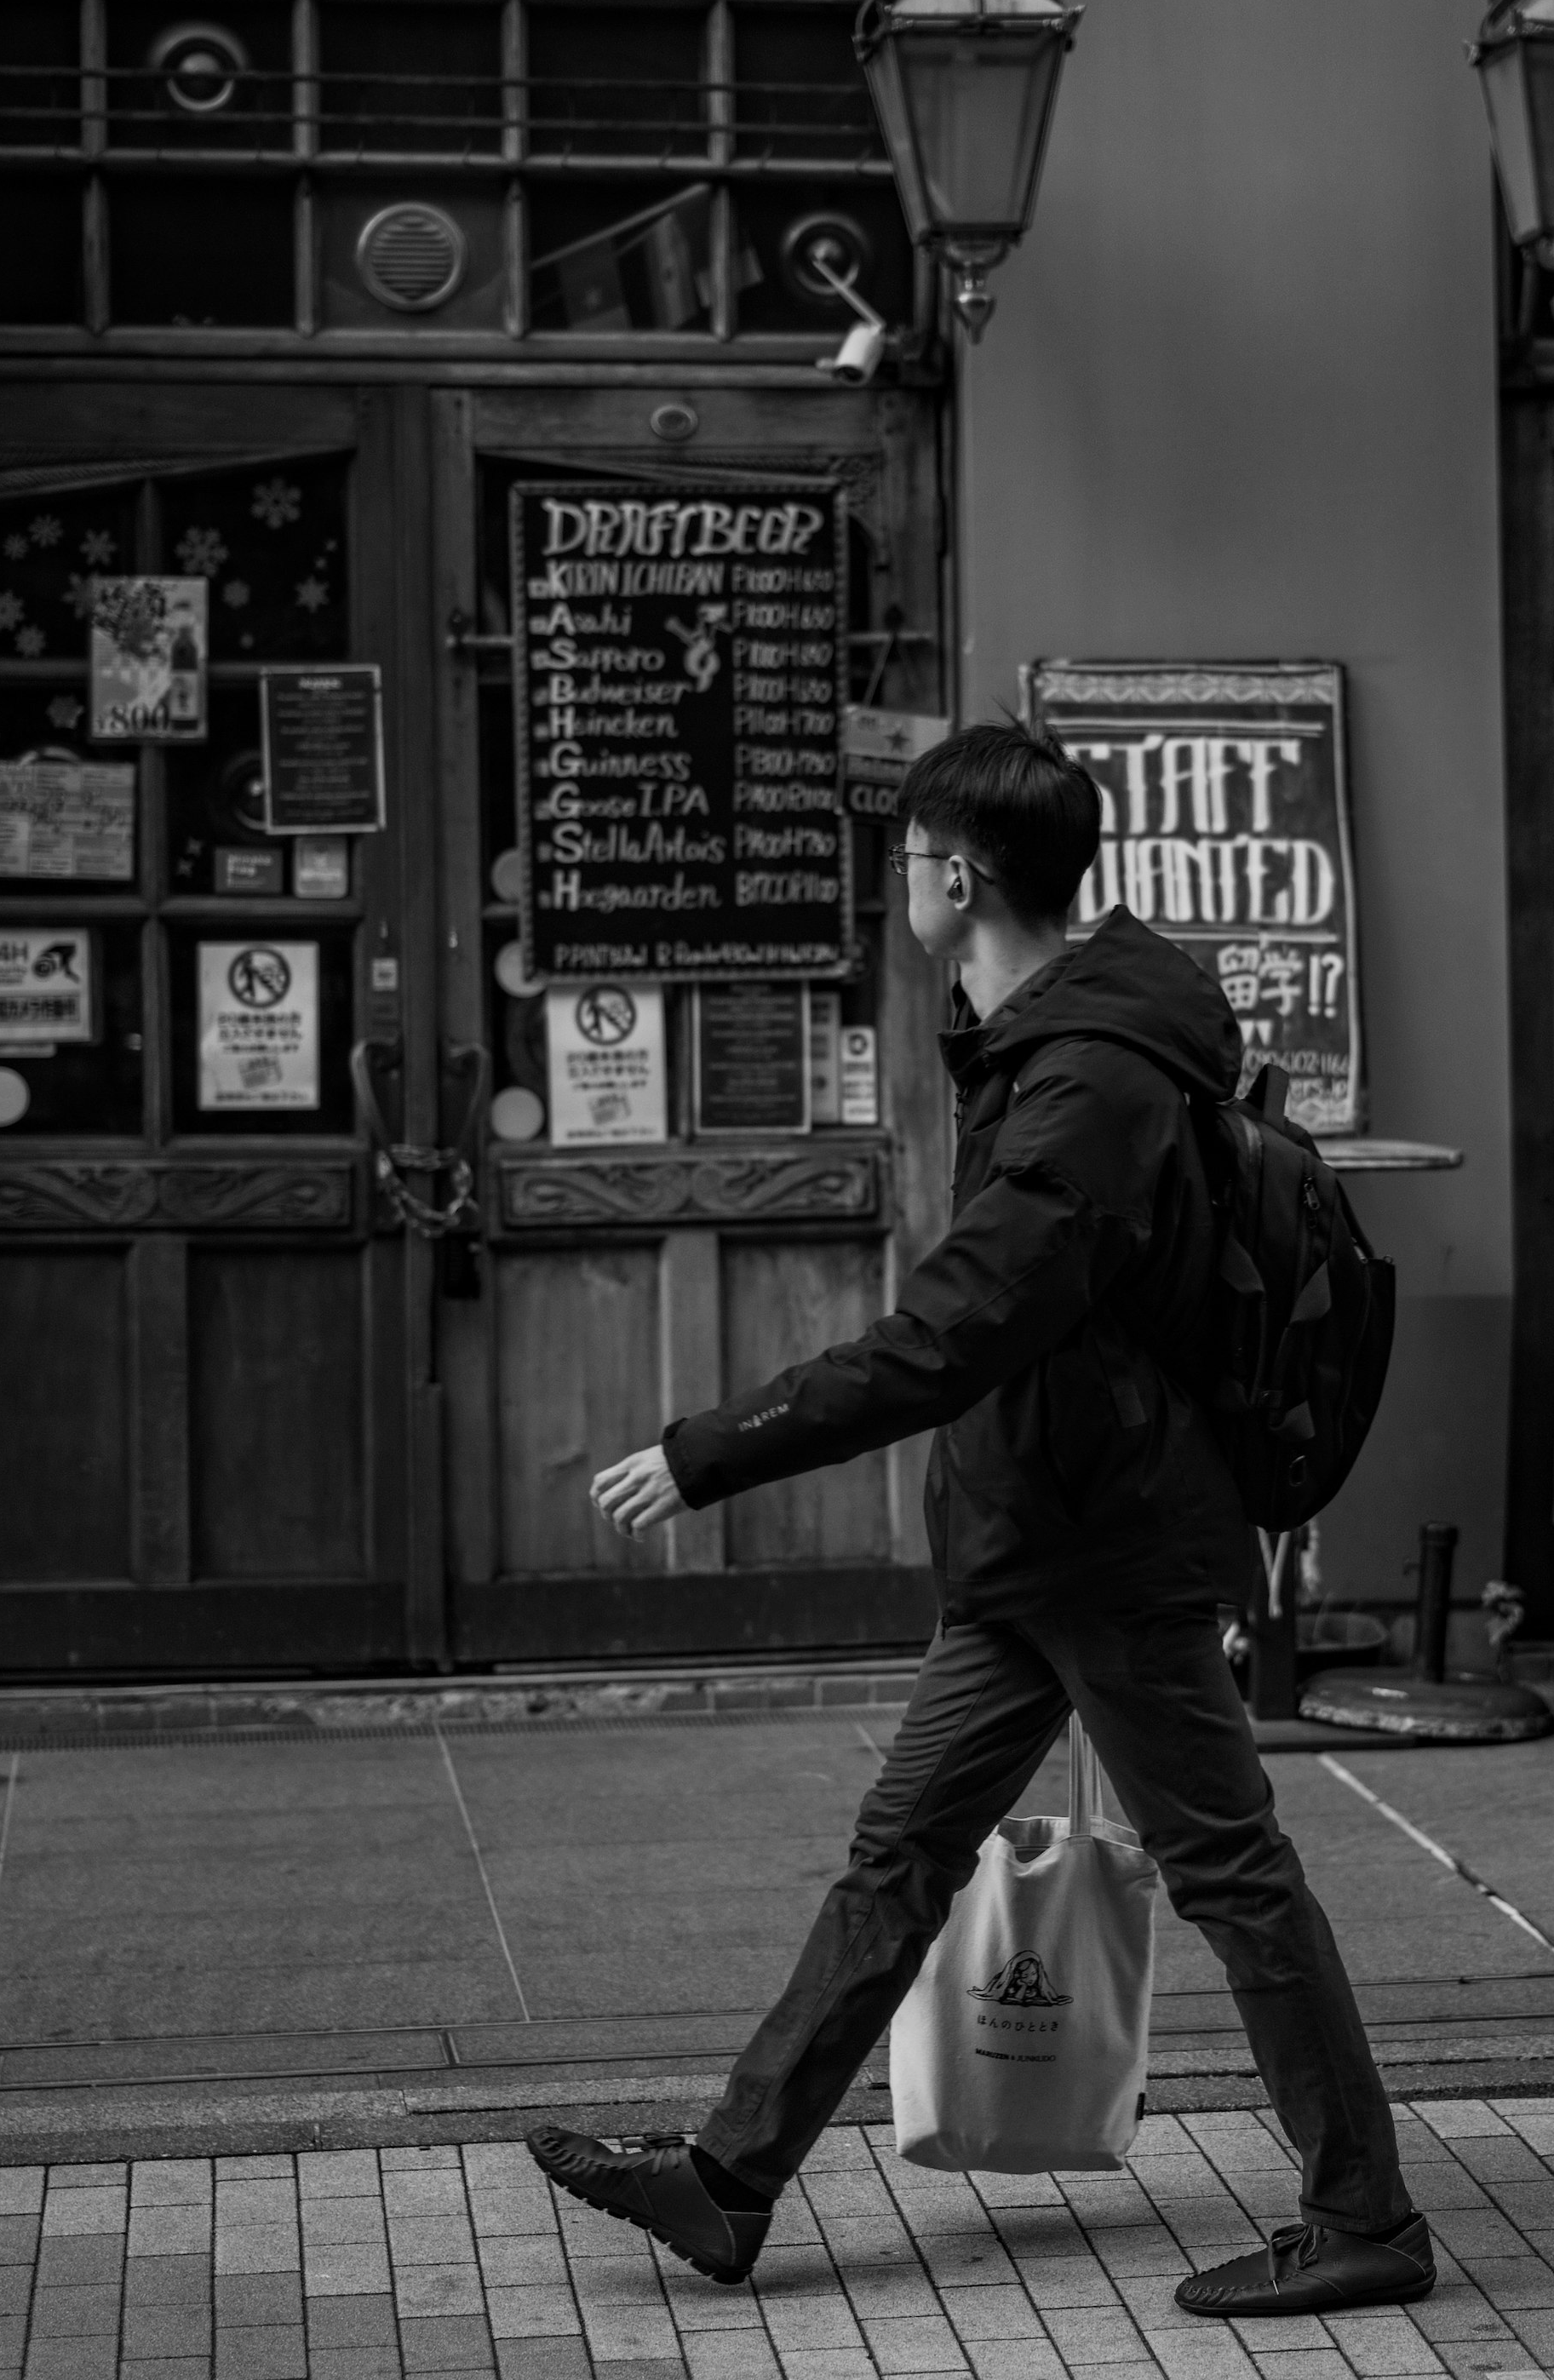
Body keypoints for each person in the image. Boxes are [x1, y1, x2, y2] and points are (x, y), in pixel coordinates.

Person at [525, 721, 1430, 2320]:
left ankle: (1366, 2217)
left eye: (905, 858)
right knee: (902, 1857)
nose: (897, 884)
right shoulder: (1032, 1030)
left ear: (959, 873)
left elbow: (954, 1332)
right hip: (1044, 1539)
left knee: (1233, 1873)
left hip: (1111, 1546)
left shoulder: (1086, 1081)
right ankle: (731, 2183)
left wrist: (710, 1451)